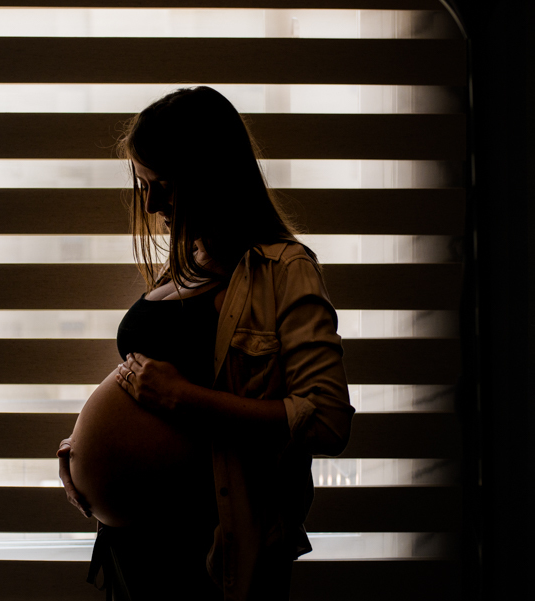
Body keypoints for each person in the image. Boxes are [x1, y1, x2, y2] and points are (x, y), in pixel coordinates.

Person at [56, 86, 354, 601]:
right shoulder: (187, 266)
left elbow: (326, 420)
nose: (150, 205)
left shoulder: (284, 270)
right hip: (131, 547)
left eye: (164, 185)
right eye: (144, 185)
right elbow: (142, 388)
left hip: (211, 555)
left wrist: (184, 399)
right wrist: (79, 458)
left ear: (210, 176)